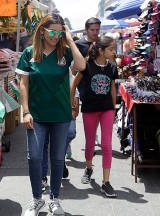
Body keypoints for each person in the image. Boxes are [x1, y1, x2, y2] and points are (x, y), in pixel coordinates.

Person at [16, 13, 85, 216]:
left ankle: (54, 199)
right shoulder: (29, 53)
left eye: (59, 32)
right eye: (52, 31)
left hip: (61, 115)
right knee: (34, 158)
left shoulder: (65, 52)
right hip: (36, 116)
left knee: (57, 159)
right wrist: (26, 111)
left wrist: (70, 39)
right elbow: (23, 84)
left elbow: (81, 67)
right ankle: (37, 199)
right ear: (42, 31)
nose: (56, 36)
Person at [71, 36, 118, 198]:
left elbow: (113, 90)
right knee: (90, 143)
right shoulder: (87, 66)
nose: (114, 52)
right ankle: (89, 168)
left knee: (106, 144)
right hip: (90, 109)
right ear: (101, 50)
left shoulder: (112, 67)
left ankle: (106, 182)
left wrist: (114, 109)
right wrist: (72, 104)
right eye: (111, 49)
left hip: (107, 109)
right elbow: (73, 85)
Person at [41, 70, 80, 191]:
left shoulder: (65, 67)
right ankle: (43, 176)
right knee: (44, 143)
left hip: (64, 111)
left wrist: (74, 108)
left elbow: (75, 90)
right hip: (45, 110)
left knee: (70, 133)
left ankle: (60, 158)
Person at [75, 17, 101, 146]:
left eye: (97, 30)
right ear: (86, 30)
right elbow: (74, 64)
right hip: (83, 82)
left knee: (97, 109)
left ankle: (93, 134)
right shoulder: (79, 44)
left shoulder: (102, 43)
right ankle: (90, 134)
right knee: (88, 110)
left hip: (100, 82)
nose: (95, 32)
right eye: (92, 30)